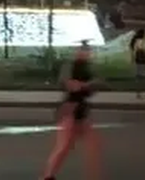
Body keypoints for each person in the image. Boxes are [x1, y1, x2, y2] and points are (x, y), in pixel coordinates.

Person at [40, 40, 102, 180]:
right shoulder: (71, 66)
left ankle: (93, 176)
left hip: (81, 108)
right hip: (70, 108)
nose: (87, 54)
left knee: (93, 145)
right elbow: (68, 84)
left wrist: (85, 85)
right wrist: (83, 85)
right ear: (78, 52)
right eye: (84, 51)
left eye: (88, 51)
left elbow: (96, 83)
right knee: (64, 146)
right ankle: (47, 176)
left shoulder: (87, 68)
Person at [129, 28, 145, 99]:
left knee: (138, 78)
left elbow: (133, 52)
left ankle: (138, 93)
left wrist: (132, 60)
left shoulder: (135, 42)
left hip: (137, 61)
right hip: (144, 61)